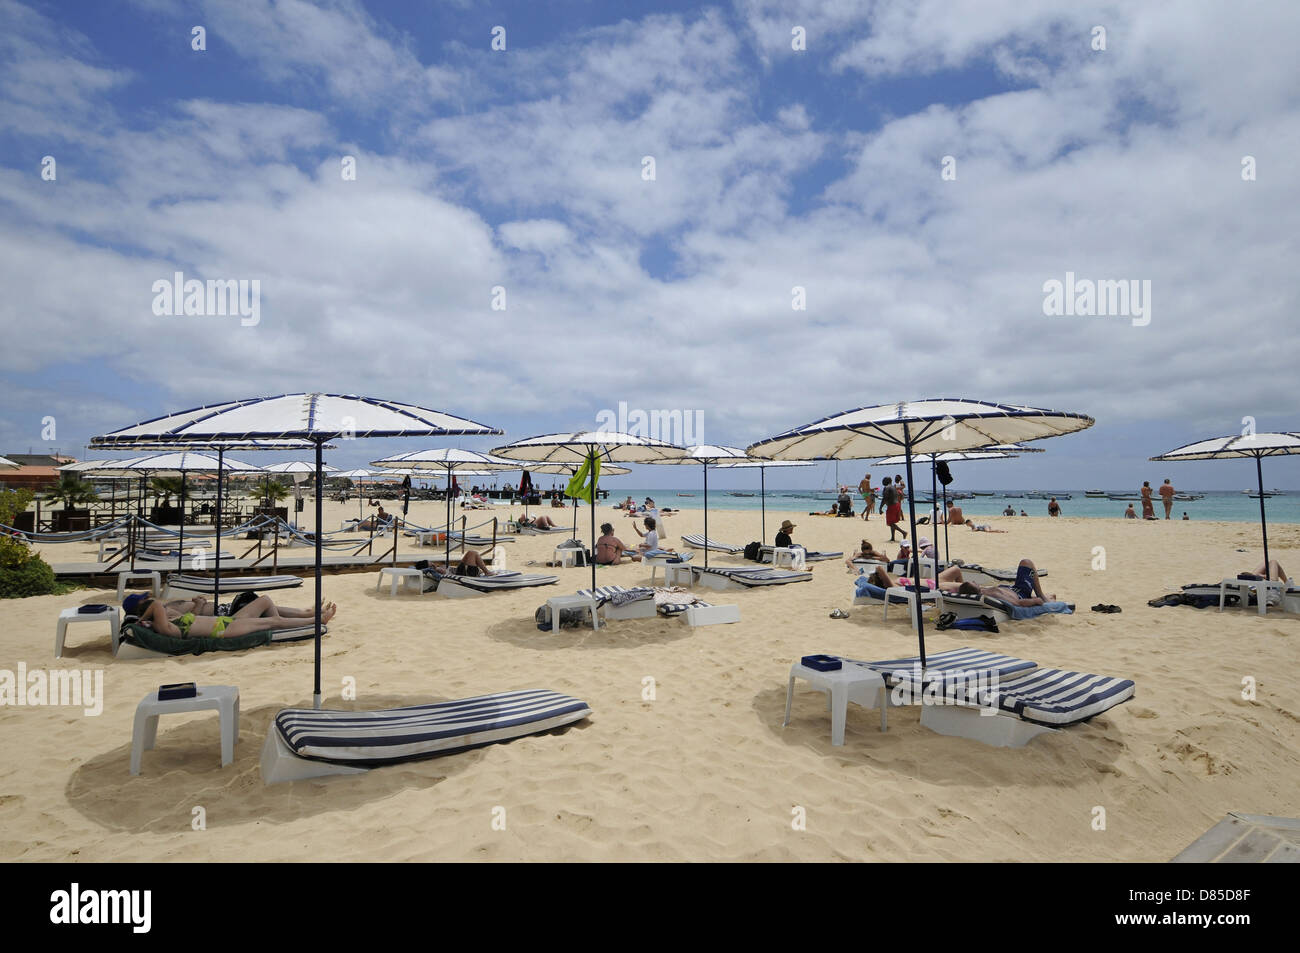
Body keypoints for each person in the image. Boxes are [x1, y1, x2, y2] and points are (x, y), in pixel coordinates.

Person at [126, 592, 336, 639]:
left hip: (226, 622)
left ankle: (309, 618)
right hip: (224, 628)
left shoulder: (171, 621)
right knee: (272, 620)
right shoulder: (166, 628)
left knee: (268, 608)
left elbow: (157, 608)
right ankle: (315, 620)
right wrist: (142, 616)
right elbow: (155, 606)